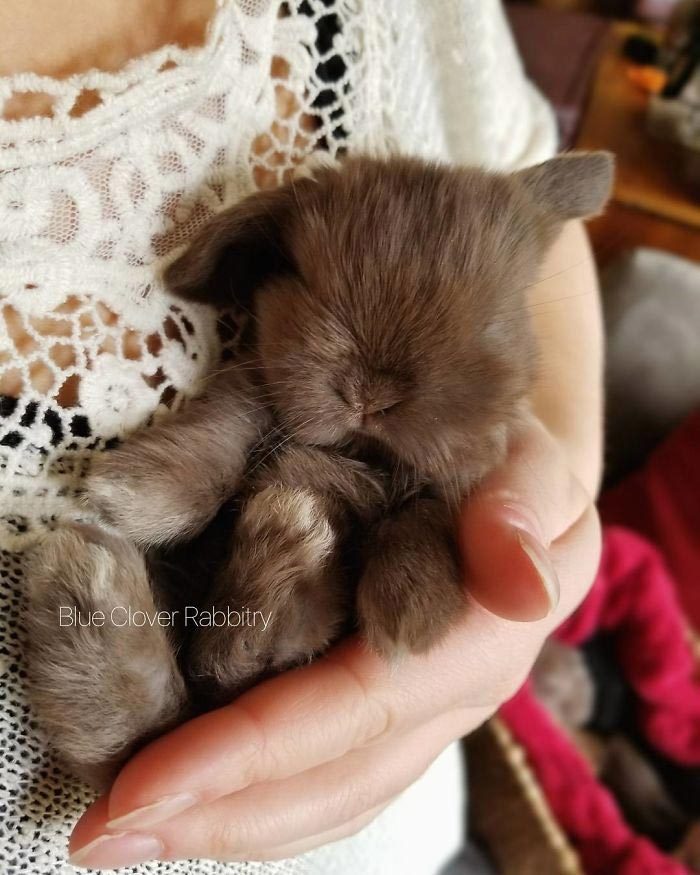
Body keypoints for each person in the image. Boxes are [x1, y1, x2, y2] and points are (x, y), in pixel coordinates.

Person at [0, 1, 603, 872]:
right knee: (193, 567)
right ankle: (131, 703)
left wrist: (543, 502)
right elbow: (229, 424)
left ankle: (236, 644)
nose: (370, 393)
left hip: (412, 840)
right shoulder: (264, 380)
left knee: (341, 580)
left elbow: (543, 200)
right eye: (322, 304)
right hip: (183, 715)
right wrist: (182, 479)